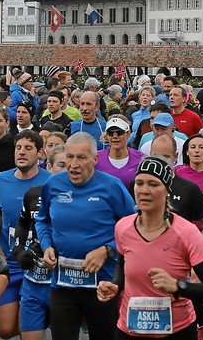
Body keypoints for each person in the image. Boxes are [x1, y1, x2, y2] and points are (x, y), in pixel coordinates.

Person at [98, 155, 203, 340]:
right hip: (130, 330)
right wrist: (116, 286)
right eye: (139, 183)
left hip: (178, 331)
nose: (144, 190)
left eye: (153, 184)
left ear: (167, 191)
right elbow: (122, 267)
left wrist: (178, 286)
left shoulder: (186, 232)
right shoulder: (123, 227)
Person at [35, 132, 136, 340]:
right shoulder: (53, 184)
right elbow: (42, 220)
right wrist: (46, 245)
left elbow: (134, 227)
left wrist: (107, 250)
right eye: (69, 157)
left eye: (81, 157)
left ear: (95, 159)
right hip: (63, 284)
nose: (73, 164)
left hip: (102, 284)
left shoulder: (111, 186)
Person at [0, 130, 52, 339]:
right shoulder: (2, 180)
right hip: (9, 263)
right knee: (5, 330)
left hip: (37, 264)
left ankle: (41, 317)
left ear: (40, 153)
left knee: (27, 327)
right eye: (18, 148)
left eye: (28, 148)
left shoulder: (50, 182)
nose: (22, 152)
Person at [10, 148, 68, 340]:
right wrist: (19, 250)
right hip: (34, 280)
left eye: (69, 166)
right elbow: (23, 223)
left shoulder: (80, 198)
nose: (67, 170)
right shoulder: (33, 193)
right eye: (61, 165)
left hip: (63, 283)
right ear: (49, 166)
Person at [96, 116, 144, 187]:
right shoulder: (95, 158)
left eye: (119, 132)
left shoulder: (141, 158)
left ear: (128, 134)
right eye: (111, 133)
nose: (115, 136)